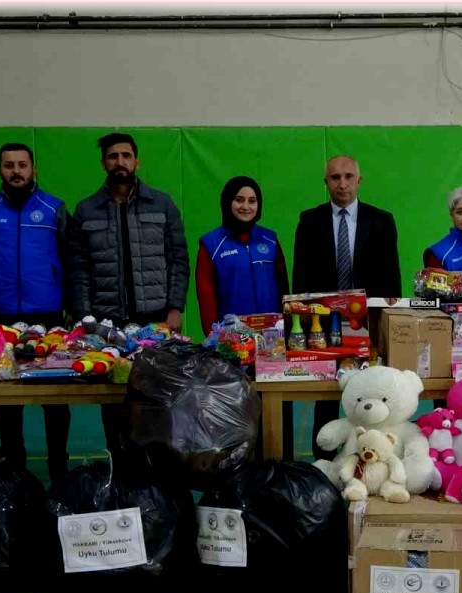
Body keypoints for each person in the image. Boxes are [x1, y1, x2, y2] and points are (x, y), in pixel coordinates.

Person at [68, 132, 190, 454]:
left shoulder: (162, 204)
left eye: (126, 155)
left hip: (155, 320)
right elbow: (78, 269)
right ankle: (119, 467)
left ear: (137, 161)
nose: (120, 162)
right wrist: (85, 317)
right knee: (112, 404)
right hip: (107, 324)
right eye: (113, 156)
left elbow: (178, 259)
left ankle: (155, 470)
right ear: (103, 163)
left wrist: (175, 307)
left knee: (157, 400)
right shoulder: (86, 210)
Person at [0, 142, 71, 484]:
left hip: (48, 317)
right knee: (6, 396)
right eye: (9, 165)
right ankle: (15, 469)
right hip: (0, 317)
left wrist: (73, 310)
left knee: (56, 398)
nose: (16, 171)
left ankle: (59, 469)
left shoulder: (54, 209)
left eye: (22, 164)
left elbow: (71, 261)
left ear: (33, 169)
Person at [292, 155, 401, 460]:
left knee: (371, 392)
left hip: (367, 321)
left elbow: (392, 279)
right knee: (325, 394)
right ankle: (323, 462)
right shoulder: (309, 221)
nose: (342, 184)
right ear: (326, 182)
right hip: (323, 322)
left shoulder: (381, 220)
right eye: (335, 178)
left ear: (359, 180)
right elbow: (300, 277)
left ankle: (372, 456)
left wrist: (386, 325)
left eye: (348, 176)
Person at [195, 176, 289, 336]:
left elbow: (284, 289)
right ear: (228, 202)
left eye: (252, 201)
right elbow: (206, 298)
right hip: (232, 338)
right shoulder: (212, 244)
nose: (246, 206)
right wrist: (214, 338)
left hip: (273, 336)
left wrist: (287, 327)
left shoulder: (270, 240)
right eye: (239, 200)